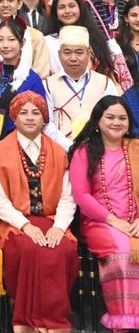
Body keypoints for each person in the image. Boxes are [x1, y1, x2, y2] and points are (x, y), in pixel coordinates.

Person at [0, 91, 78, 333]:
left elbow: (69, 196)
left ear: (44, 118)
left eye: (36, 113)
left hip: (51, 220)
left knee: (64, 249)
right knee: (27, 248)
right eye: (23, 113)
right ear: (14, 118)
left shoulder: (59, 151)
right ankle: (27, 321)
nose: (30, 118)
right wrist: (25, 225)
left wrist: (59, 227)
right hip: (14, 222)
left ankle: (54, 321)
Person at [69, 96, 139, 332]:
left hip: (136, 221)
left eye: (122, 118)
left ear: (129, 122)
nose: (116, 122)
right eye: (110, 117)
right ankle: (125, 322)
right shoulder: (84, 151)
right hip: (100, 222)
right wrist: (113, 221)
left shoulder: (136, 148)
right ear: (98, 121)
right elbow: (82, 195)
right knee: (124, 252)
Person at [44, 25, 121, 149]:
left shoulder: (105, 83)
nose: (73, 58)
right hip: (60, 152)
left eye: (79, 52)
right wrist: (70, 146)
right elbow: (47, 124)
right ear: (59, 54)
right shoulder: (47, 85)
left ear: (88, 53)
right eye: (67, 52)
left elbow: (113, 118)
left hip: (99, 151)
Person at [0, 18, 46, 143]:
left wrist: (4, 145)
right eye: (0, 40)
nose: (5, 45)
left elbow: (39, 118)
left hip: (18, 144)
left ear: (22, 43)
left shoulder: (31, 79)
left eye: (11, 39)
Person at [46, 0, 116, 77]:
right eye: (62, 7)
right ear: (56, 13)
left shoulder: (95, 38)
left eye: (72, 6)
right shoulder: (48, 41)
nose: (67, 11)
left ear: (80, 8)